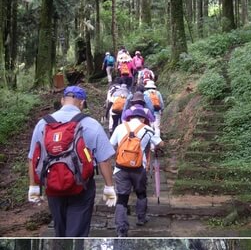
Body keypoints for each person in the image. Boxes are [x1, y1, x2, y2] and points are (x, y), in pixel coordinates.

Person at [28, 86, 116, 237]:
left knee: (59, 228)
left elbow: (33, 157)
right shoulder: (91, 124)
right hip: (82, 185)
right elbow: (104, 160)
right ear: (82, 103)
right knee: (78, 230)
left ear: (62, 100)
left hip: (53, 184)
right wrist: (109, 188)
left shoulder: (43, 124)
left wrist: (33, 186)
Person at [110, 107, 164, 237]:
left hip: (120, 168)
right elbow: (161, 144)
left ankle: (121, 229)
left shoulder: (120, 128)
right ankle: (141, 218)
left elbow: (111, 145)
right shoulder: (148, 129)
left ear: (130, 117)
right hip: (139, 168)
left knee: (122, 198)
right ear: (143, 118)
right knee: (141, 193)